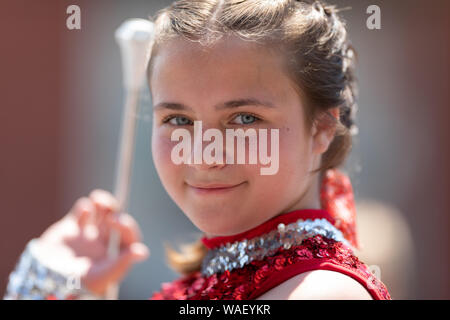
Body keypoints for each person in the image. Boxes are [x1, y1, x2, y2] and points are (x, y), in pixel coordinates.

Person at [3, 0, 391, 300]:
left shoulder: (320, 292)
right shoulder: (212, 284)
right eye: (178, 120)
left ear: (321, 128)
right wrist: (54, 281)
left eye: (244, 119)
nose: (205, 154)